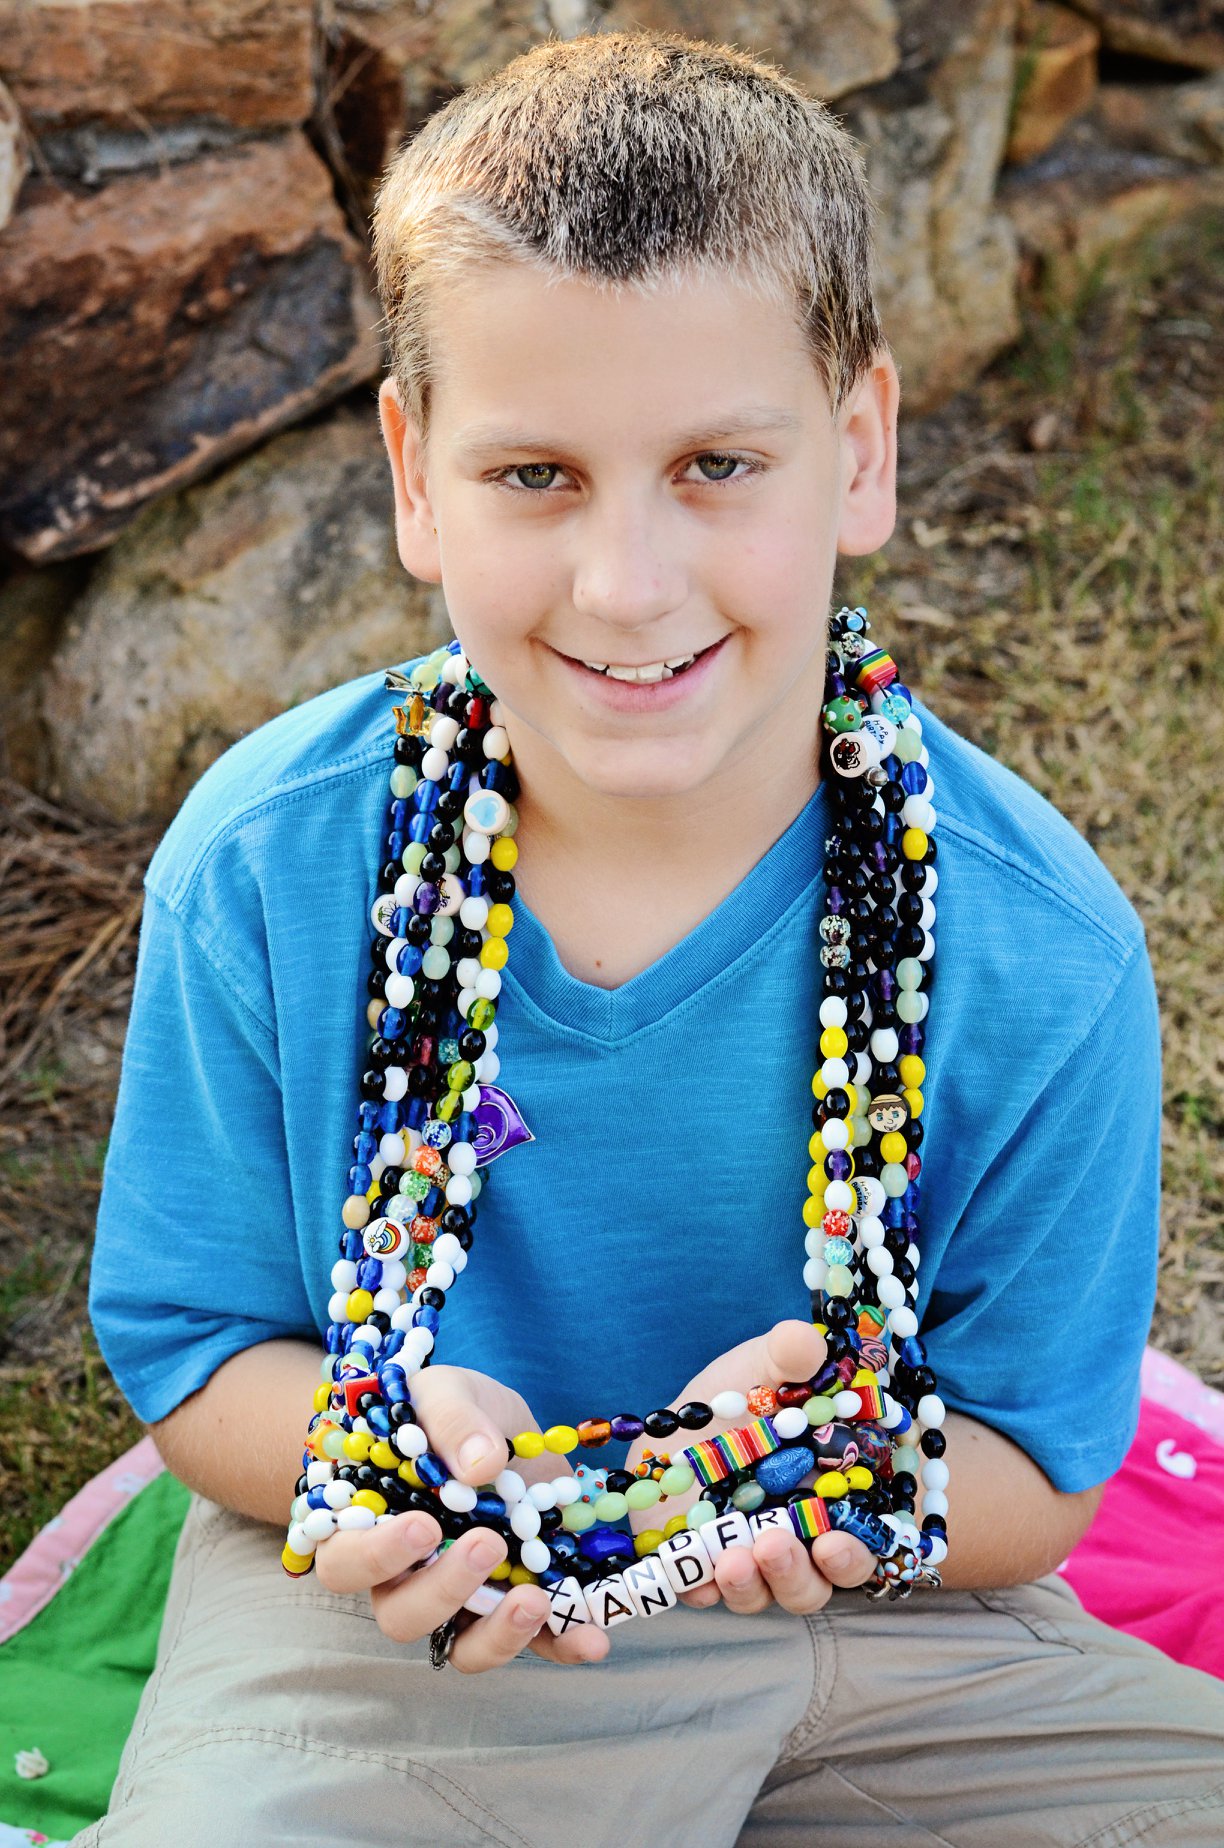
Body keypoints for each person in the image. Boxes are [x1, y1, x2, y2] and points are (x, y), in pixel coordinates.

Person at [77, 28, 1224, 1847]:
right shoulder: (273, 868)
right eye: (535, 474)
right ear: (412, 473)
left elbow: (1028, 1470)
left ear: (855, 453)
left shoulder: (1039, 950)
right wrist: (370, 1436)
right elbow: (199, 1347)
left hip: (882, 1612)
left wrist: (779, 1476)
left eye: (714, 464)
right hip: (408, 1618)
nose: (627, 583)